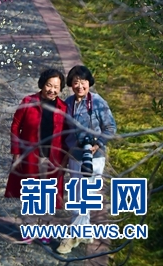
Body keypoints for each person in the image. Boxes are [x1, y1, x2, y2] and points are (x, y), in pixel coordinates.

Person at [57, 64, 117, 255]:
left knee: (85, 194)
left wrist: (97, 144)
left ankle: (72, 237)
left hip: (94, 156)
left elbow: (110, 128)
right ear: (71, 85)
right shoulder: (68, 103)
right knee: (76, 195)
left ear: (89, 82)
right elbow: (63, 129)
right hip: (75, 155)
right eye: (75, 82)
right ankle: (84, 230)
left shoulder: (98, 102)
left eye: (83, 81)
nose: (80, 86)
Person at [5, 68, 67, 208]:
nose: (52, 90)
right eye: (49, 85)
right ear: (42, 84)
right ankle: (30, 226)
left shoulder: (63, 108)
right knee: (31, 196)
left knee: (50, 197)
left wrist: (64, 160)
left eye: (56, 87)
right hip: (31, 157)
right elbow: (15, 127)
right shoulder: (28, 101)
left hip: (53, 159)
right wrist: (16, 153)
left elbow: (66, 136)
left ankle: (45, 227)